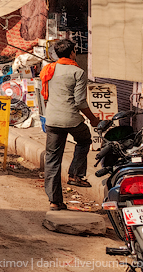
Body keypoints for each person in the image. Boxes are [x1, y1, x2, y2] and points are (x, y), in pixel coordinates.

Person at [41, 39, 98, 211]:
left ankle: (54, 201)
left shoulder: (48, 69)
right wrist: (94, 119)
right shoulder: (78, 72)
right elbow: (80, 102)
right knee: (85, 138)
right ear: (73, 52)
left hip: (51, 120)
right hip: (71, 119)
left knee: (52, 160)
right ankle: (75, 174)